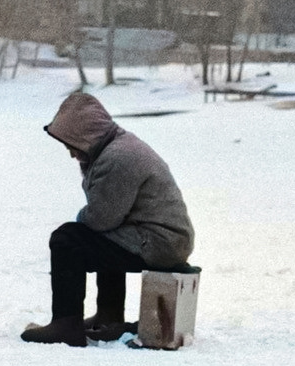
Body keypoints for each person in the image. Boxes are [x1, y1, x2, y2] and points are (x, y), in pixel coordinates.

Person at [20, 92, 194, 347]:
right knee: (104, 238)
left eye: (72, 145)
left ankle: (66, 324)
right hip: (163, 238)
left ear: (86, 137)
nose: (71, 153)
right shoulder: (118, 147)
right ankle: (109, 316)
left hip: (159, 242)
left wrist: (80, 220)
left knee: (67, 238)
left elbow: (100, 219)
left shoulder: (118, 158)